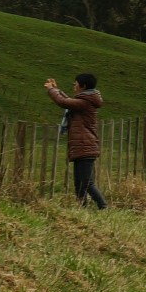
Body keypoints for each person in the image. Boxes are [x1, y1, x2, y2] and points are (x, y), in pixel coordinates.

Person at [45, 72, 107, 209]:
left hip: (85, 146)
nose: (74, 85)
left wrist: (51, 90)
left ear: (83, 86)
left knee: (87, 183)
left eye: (76, 83)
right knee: (79, 183)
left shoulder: (85, 102)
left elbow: (63, 102)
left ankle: (103, 207)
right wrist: (57, 90)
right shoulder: (85, 101)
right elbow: (69, 103)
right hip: (82, 146)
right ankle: (82, 209)